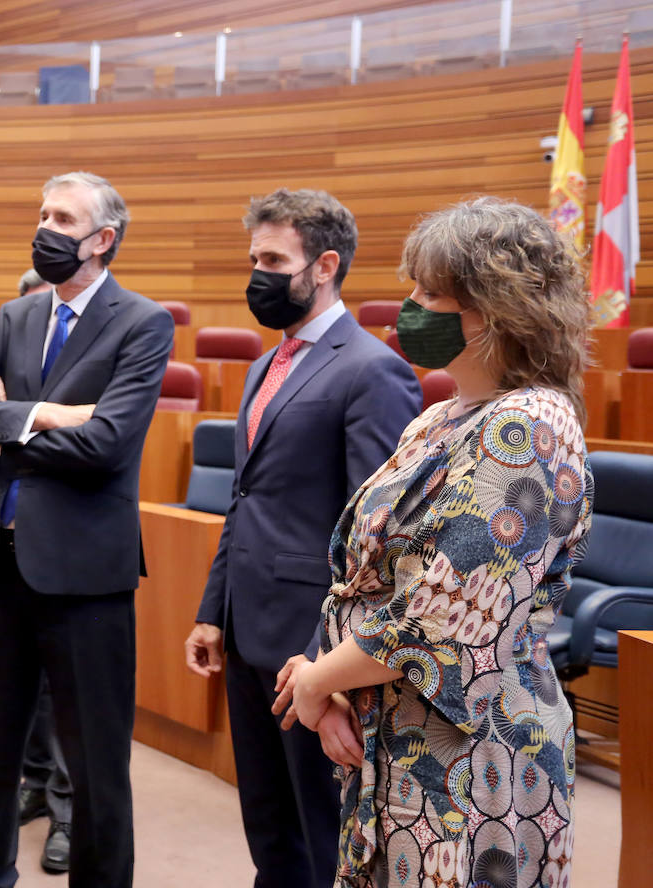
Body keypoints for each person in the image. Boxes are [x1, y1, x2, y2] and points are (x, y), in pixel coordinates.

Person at [273, 197, 593, 888]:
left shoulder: (532, 425)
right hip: (394, 734)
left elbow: (442, 616)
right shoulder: (441, 416)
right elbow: (369, 572)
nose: (407, 309)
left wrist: (315, 681)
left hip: (477, 755)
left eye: (429, 294)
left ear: (497, 309)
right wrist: (329, 686)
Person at [0, 171, 173, 888]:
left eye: (62, 217)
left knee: (96, 763)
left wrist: (7, 424)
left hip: (85, 577)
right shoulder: (18, 317)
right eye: (42, 212)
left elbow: (107, 445)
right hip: (3, 566)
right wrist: (46, 415)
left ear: (102, 241)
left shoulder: (142, 322)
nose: (45, 226)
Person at [183, 188, 421, 888]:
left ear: (323, 265)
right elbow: (246, 500)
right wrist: (211, 609)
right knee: (268, 819)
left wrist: (332, 661)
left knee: (323, 830)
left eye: (271, 260)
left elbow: (374, 534)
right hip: (250, 621)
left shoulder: (372, 369)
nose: (257, 274)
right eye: (253, 257)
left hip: (311, 645)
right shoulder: (267, 363)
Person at [0, 266, 72, 876]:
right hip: (2, 544)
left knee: (61, 693)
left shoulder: (88, 361)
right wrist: (6, 455)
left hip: (65, 547)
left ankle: (66, 808)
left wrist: (12, 424)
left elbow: (94, 441)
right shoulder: (4, 349)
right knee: (6, 693)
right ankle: (33, 783)